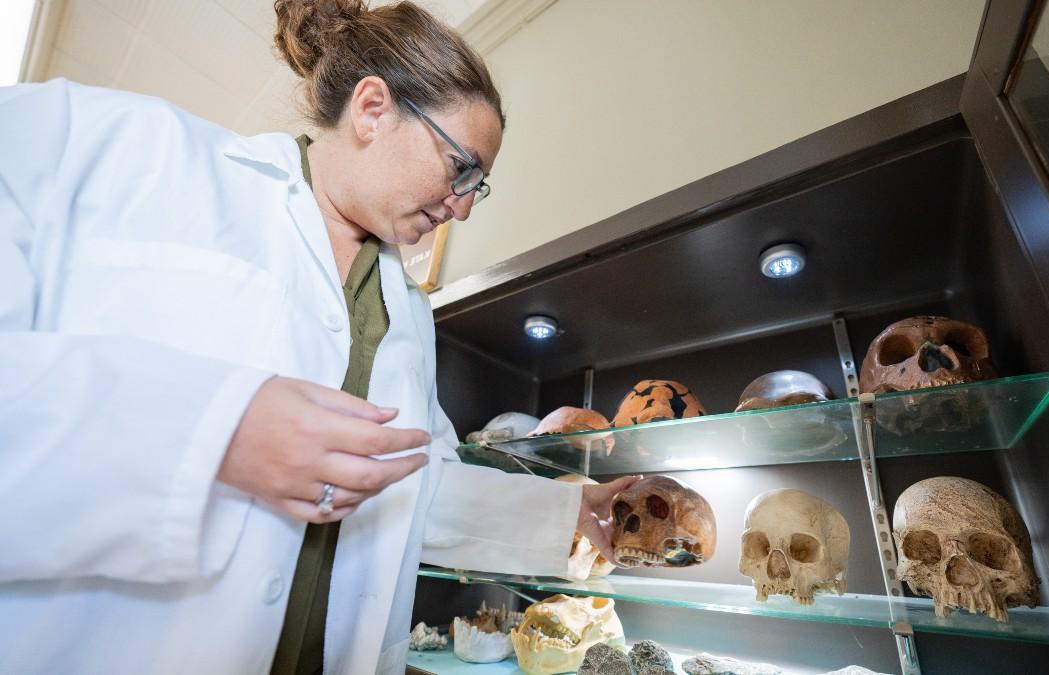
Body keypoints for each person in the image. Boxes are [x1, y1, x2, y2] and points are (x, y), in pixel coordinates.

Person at [0, 1, 636, 673]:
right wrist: (219, 428)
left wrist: (571, 511)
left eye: (479, 186)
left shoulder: (409, 316)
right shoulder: (114, 149)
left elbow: (415, 482)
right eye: (461, 169)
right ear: (371, 109)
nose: (463, 205)